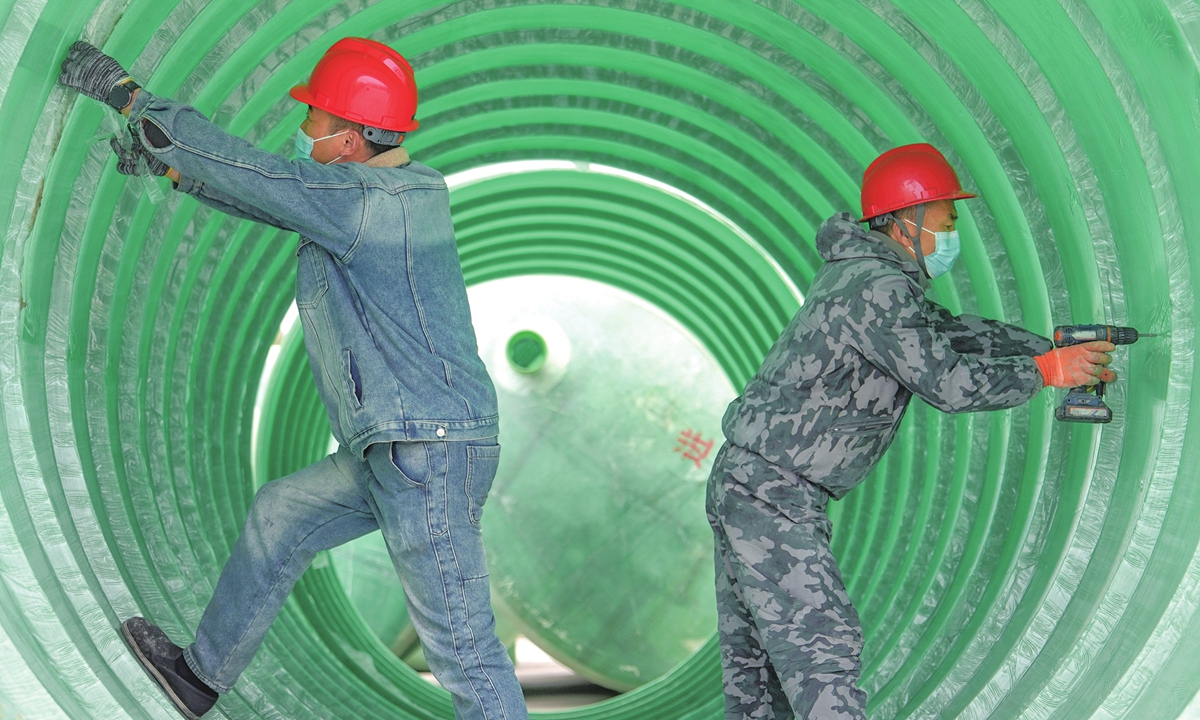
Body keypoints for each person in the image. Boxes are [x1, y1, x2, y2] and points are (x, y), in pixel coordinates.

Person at [58, 38, 528, 720]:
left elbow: (262, 177)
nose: (301, 133)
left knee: (464, 652)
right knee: (280, 515)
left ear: (349, 139)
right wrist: (175, 174)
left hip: (426, 451)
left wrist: (133, 101)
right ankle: (200, 677)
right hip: (392, 449)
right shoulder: (369, 199)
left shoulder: (372, 203)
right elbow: (271, 202)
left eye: (312, 121)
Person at [705, 143, 1116, 719]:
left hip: (750, 477)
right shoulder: (877, 287)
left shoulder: (866, 277)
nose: (953, 233)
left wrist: (1049, 346)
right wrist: (1047, 373)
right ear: (907, 223)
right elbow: (946, 382)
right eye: (947, 220)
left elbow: (950, 332)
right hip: (772, 488)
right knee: (821, 647)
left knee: (758, 671)